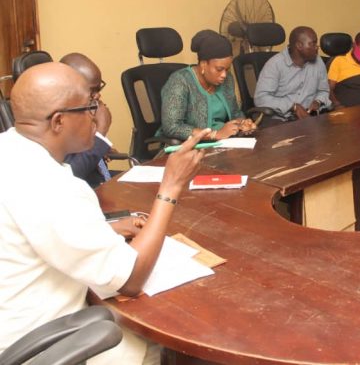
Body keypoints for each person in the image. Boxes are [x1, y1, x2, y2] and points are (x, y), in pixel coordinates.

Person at [0, 62, 208, 363]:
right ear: (58, 121)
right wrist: (171, 186)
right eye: (89, 106)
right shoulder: (53, 185)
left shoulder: (10, 150)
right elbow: (131, 279)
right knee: (158, 342)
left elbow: (34, 229)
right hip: (39, 345)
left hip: (13, 326)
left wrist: (107, 229)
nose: (96, 114)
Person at [161, 30, 256, 141]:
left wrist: (243, 123)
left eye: (227, 69)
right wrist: (214, 134)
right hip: (190, 144)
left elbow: (235, 112)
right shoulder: (180, 81)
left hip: (225, 141)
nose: (224, 75)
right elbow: (172, 127)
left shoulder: (227, 79)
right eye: (219, 69)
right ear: (203, 65)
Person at [254, 26, 331, 122]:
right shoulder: (275, 64)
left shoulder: (318, 61)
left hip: (310, 119)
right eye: (313, 43)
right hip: (282, 121)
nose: (317, 47)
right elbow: (261, 99)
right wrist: (292, 106)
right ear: (299, 45)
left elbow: (324, 90)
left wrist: (318, 101)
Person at [60, 53, 114, 187]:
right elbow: (70, 176)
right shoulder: (56, 121)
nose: (98, 95)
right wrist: (101, 134)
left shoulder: (80, 112)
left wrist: (96, 145)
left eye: (99, 88)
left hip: (98, 182)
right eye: (92, 90)